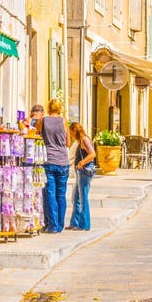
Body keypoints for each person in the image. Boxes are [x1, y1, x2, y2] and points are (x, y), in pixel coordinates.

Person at [36, 99, 70, 233]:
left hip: (48, 160)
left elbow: (36, 136)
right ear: (59, 108)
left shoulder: (42, 121)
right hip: (63, 161)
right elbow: (68, 143)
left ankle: (53, 225)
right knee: (61, 195)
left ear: (48, 108)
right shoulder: (64, 121)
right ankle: (60, 225)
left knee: (50, 194)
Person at [68, 122, 96, 231]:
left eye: (71, 133)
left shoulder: (84, 139)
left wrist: (81, 162)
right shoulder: (80, 140)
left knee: (83, 198)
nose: (71, 135)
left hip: (84, 171)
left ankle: (85, 224)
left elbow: (92, 154)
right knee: (76, 197)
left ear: (75, 130)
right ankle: (74, 223)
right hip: (80, 171)